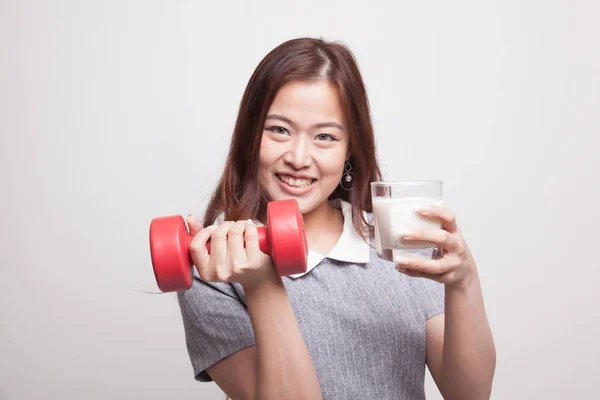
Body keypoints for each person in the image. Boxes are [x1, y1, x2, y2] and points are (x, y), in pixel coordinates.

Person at [177, 37, 496, 400]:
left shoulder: (398, 243)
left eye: (325, 136)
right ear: (251, 137)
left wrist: (464, 281)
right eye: (279, 130)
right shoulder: (215, 270)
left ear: (349, 152)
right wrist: (262, 284)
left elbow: (469, 394)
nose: (298, 157)